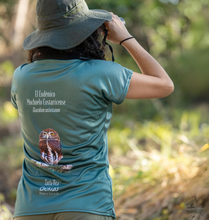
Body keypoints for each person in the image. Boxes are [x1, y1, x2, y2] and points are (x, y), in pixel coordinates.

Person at [11, 0, 174, 219]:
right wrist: (126, 39)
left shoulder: (21, 77)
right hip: (86, 204)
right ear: (87, 32)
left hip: (30, 207)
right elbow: (164, 84)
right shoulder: (101, 73)